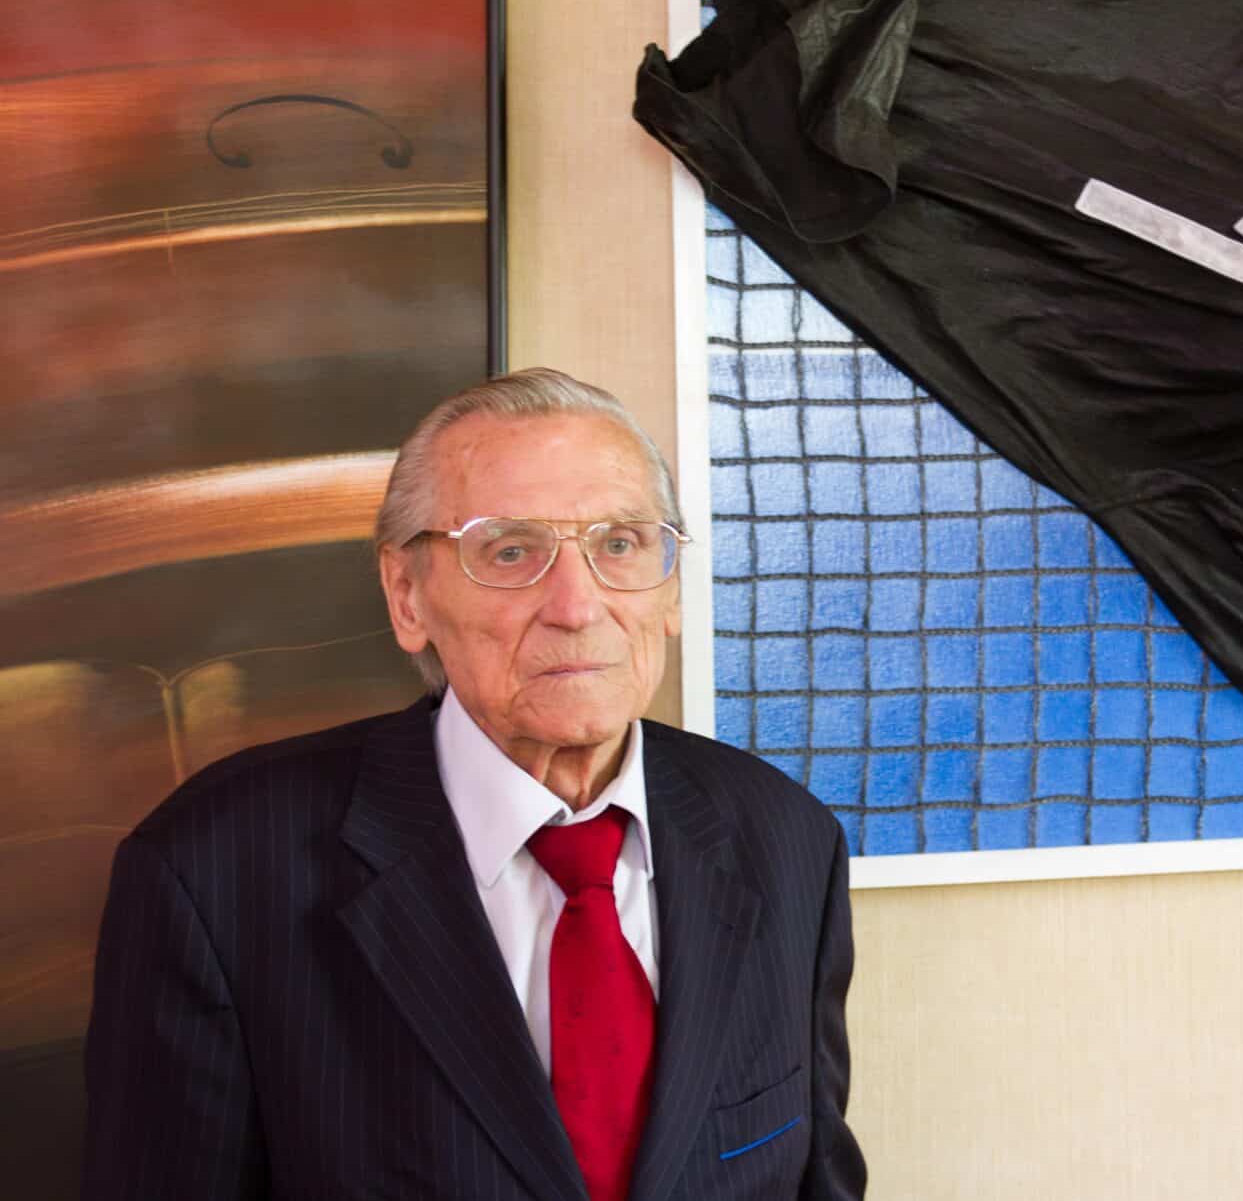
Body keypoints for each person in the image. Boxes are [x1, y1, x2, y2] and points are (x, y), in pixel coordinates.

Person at [82, 368, 866, 1201]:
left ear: (669, 588)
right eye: (511, 551)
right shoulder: (212, 872)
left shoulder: (787, 839)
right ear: (406, 595)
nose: (577, 605)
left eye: (620, 544)